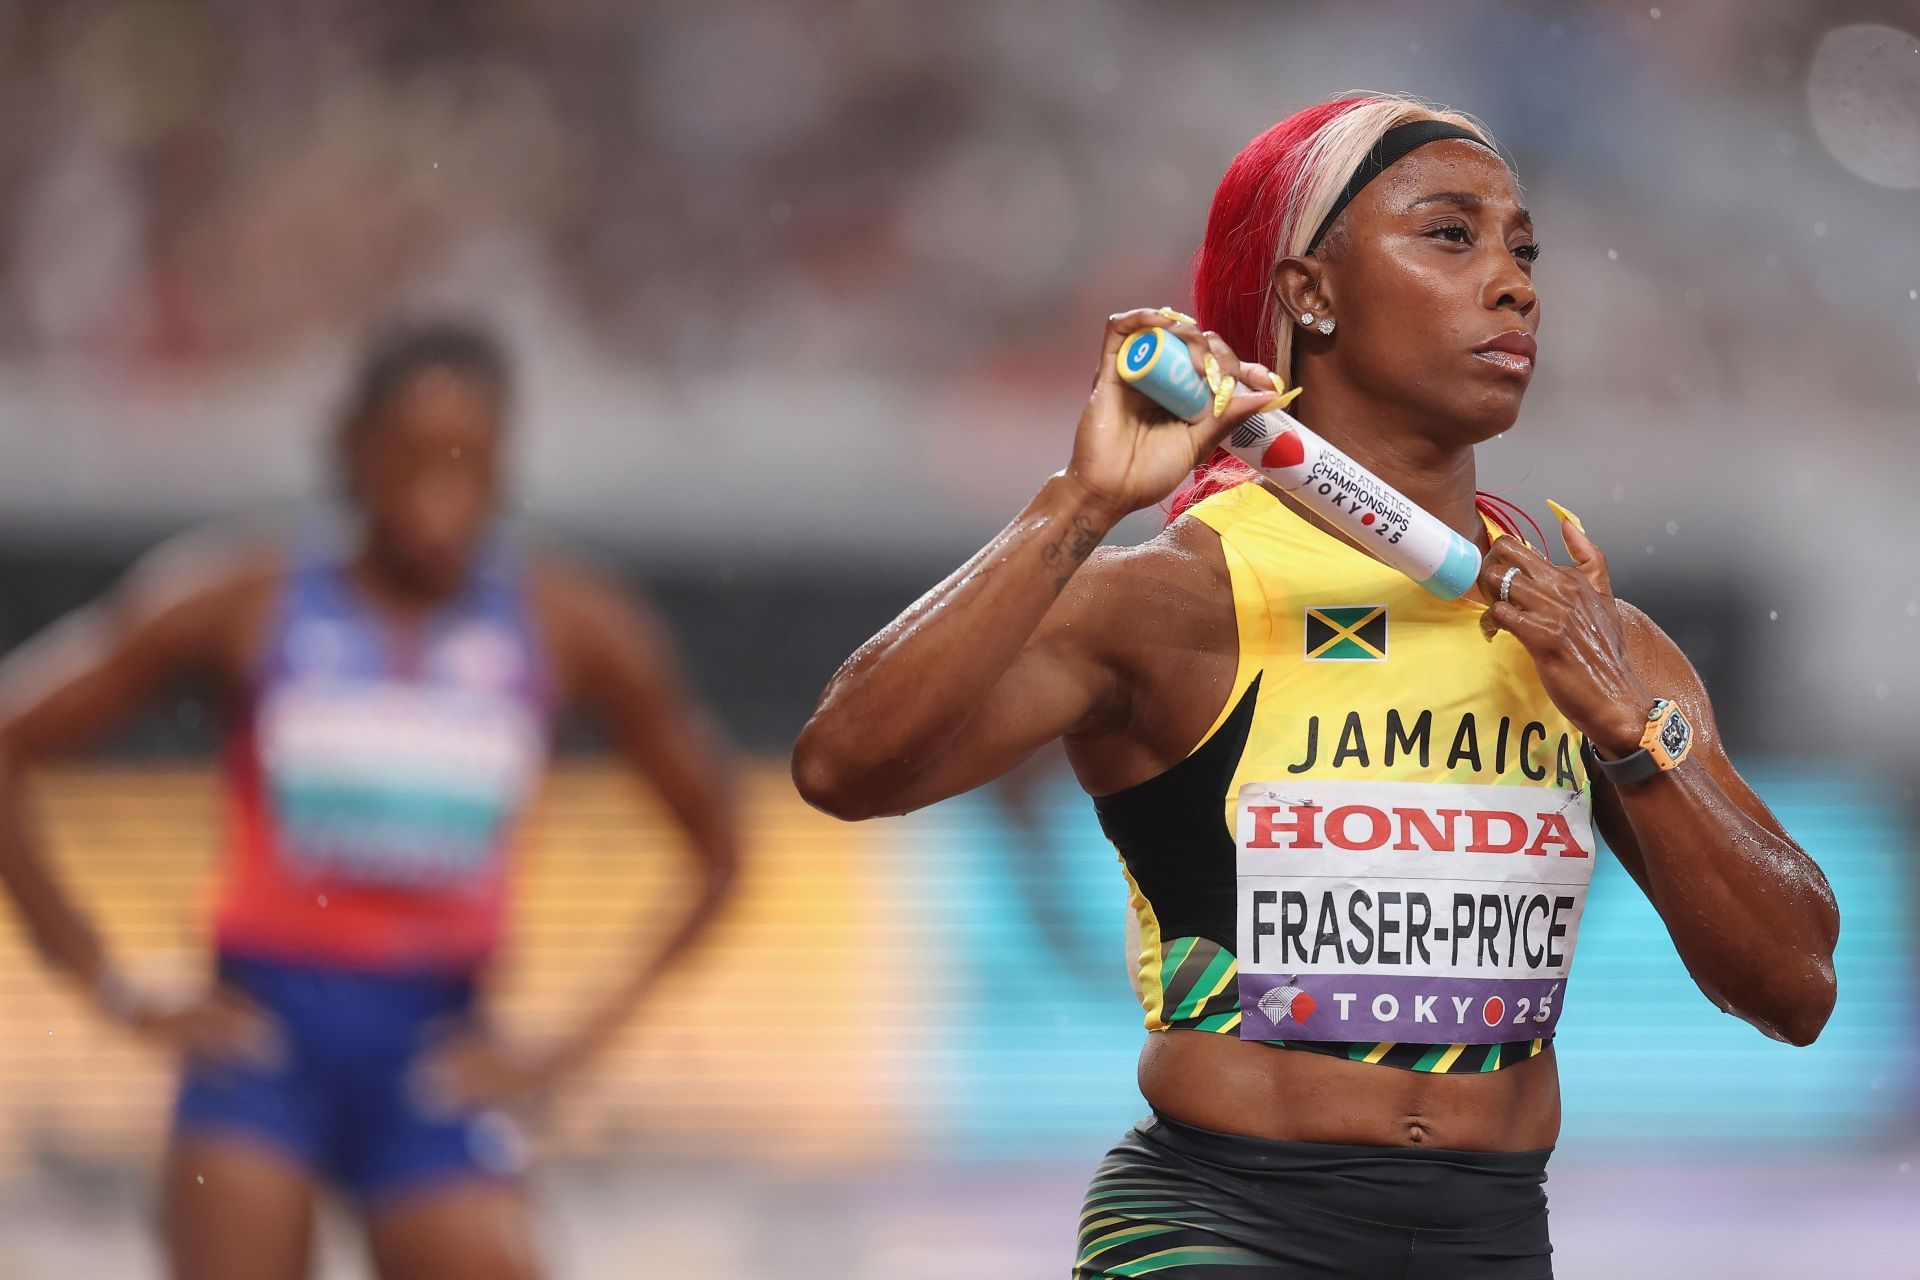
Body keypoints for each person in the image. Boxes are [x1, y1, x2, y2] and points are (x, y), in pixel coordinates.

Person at [792, 94, 1839, 1278]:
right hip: (1220, 1222)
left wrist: (1628, 731)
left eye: (1524, 249)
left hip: (1493, 1239)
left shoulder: (1591, 636)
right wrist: (1078, 502)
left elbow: (1795, 987)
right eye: (1451, 235)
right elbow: (842, 764)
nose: (1514, 285)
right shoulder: (1177, 598)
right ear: (1309, 293)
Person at [0, 322, 740, 1280]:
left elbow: (721, 849)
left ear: (505, 467)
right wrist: (106, 981)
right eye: (410, 461)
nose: (438, 500)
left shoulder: (571, 626)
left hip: (433, 1058)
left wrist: (571, 1047)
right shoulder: (243, 599)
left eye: (467, 465)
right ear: (352, 451)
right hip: (263, 1049)